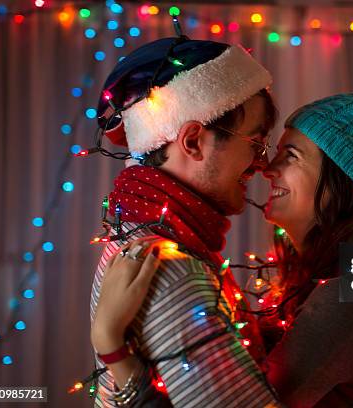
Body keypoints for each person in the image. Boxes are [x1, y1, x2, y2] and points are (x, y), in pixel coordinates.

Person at [93, 92, 353, 407]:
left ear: (342, 183)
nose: (267, 168)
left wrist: (112, 348)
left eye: (291, 156)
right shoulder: (314, 281)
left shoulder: (348, 296)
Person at [87, 34, 281, 408]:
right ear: (193, 141)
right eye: (256, 144)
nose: (263, 164)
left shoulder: (135, 234)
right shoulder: (169, 269)